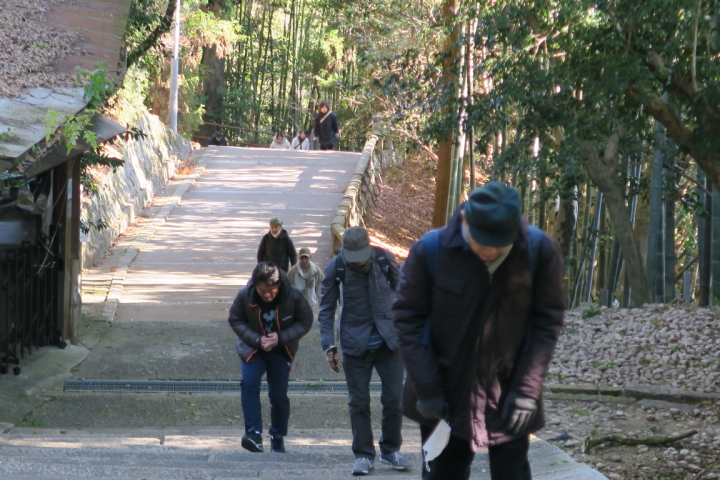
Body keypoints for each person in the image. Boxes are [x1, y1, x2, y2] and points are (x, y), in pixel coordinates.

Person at [392, 182, 565, 480]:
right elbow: (408, 319)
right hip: (443, 389)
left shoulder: (539, 252)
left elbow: (546, 323)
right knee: (443, 473)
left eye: (500, 244)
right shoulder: (431, 251)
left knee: (512, 473)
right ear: (465, 221)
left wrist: (527, 390)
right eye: (482, 241)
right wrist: (427, 387)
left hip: (509, 390)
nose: (490, 251)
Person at [318, 226, 410, 476]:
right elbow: (326, 308)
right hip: (354, 343)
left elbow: (405, 293)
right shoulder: (336, 267)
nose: (358, 261)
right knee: (358, 402)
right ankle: (363, 454)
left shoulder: (384, 258)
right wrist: (328, 344)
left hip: (389, 341)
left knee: (395, 398)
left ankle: (391, 449)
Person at [228, 262, 313, 454]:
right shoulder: (245, 295)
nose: (267, 295)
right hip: (253, 348)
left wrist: (281, 337)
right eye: (262, 290)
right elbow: (235, 319)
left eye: (271, 290)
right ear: (255, 286)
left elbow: (306, 320)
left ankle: (278, 436)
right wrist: (257, 339)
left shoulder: (292, 296)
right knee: (249, 383)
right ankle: (253, 434)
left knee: (279, 395)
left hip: (281, 349)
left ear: (279, 285)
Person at [287, 247, 323, 312]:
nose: (304, 261)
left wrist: (322, 306)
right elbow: (289, 290)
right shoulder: (292, 272)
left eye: (306, 258)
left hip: (311, 305)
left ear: (310, 257)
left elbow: (320, 289)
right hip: (297, 305)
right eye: (302, 258)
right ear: (299, 258)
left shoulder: (316, 271)